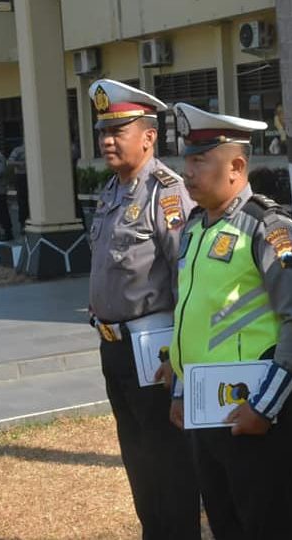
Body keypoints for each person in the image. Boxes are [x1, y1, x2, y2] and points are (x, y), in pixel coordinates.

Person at [168, 102, 292, 540]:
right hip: (206, 412)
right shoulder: (196, 228)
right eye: (186, 159)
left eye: (199, 160)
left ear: (236, 166)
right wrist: (180, 389)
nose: (187, 171)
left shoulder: (268, 228)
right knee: (224, 523)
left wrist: (263, 408)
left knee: (265, 526)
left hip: (254, 415)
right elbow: (191, 317)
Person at [86, 79, 201, 539]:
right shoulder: (111, 192)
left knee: (168, 465)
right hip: (113, 348)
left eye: (118, 131)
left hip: (155, 351)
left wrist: (180, 358)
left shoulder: (166, 194)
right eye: (103, 132)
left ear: (149, 136)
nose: (107, 141)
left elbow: (186, 280)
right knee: (138, 462)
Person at [8, 142, 29, 233]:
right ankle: (23, 223)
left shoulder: (37, 148)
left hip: (33, 177)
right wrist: (20, 163)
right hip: (21, 176)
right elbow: (10, 161)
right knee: (22, 201)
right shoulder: (18, 150)